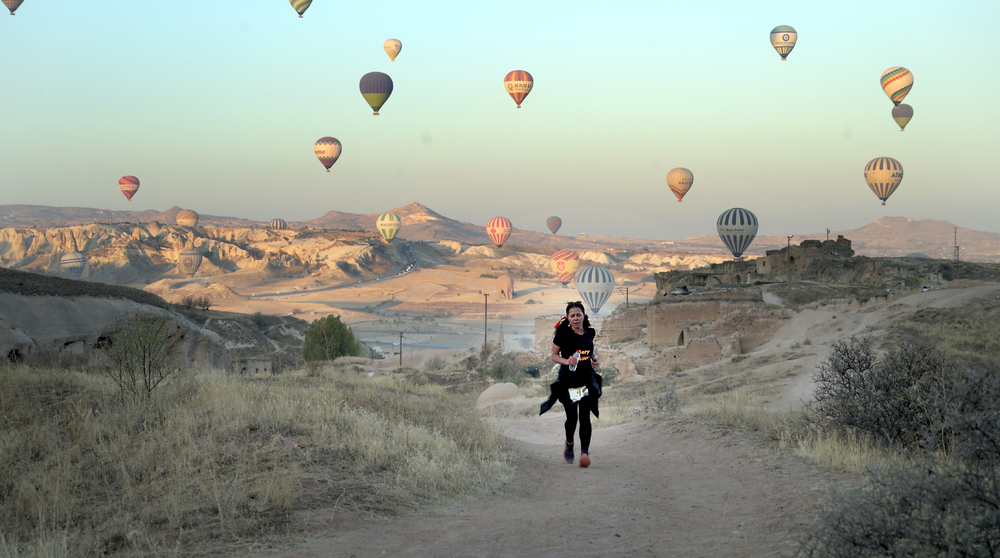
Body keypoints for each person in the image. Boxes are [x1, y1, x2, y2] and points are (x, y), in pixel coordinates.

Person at [540, 301, 602, 468]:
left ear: (584, 316)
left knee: (585, 416)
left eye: (578, 315)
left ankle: (585, 452)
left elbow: (589, 350)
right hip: (568, 379)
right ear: (568, 317)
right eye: (572, 315)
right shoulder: (563, 334)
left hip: (586, 378)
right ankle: (569, 443)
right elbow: (553, 355)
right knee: (572, 418)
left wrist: (594, 358)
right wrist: (566, 361)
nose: (576, 318)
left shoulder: (590, 332)